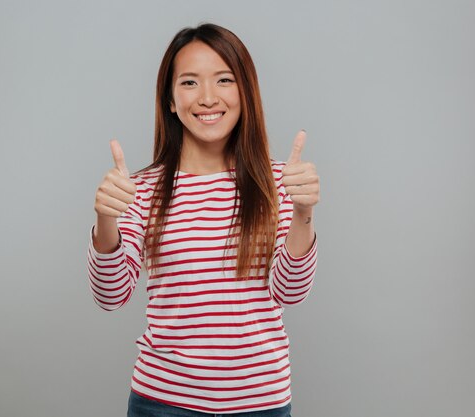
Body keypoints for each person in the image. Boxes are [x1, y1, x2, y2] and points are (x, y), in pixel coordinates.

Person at [87, 22, 320, 417]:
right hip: (162, 403)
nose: (208, 98)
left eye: (224, 80)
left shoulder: (278, 182)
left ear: (245, 93)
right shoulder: (141, 189)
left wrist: (303, 213)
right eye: (190, 83)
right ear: (171, 101)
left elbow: (290, 292)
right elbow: (110, 297)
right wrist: (106, 219)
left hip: (260, 403)